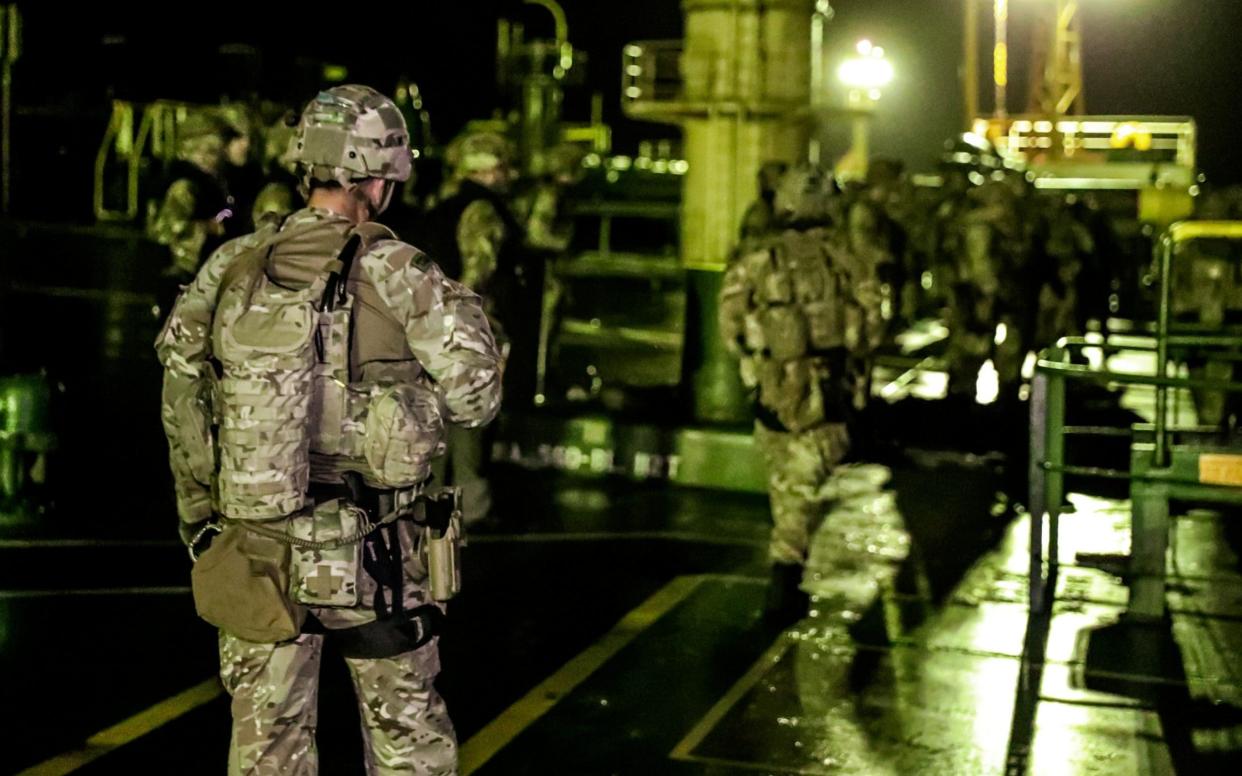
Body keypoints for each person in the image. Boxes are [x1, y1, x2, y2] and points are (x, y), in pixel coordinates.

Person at [156, 84, 503, 775]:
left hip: (257, 549)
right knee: (408, 743)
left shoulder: (234, 264)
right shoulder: (397, 269)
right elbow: (476, 396)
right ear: (379, 177)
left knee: (266, 747)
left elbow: (182, 395)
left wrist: (200, 520)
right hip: (373, 556)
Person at [719, 165, 883, 627]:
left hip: (774, 392)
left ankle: (784, 578)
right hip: (827, 392)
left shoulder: (757, 261)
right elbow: (873, 325)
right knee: (803, 487)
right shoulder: (846, 260)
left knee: (787, 487)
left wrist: (759, 362)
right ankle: (785, 578)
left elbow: (729, 326)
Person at [420, 130, 526, 524]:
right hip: (470, 331)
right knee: (470, 422)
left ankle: (432, 503)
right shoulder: (483, 211)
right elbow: (480, 276)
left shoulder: (440, 207)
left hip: (433, 328)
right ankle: (471, 507)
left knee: (437, 419)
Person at [148, 111, 239, 315]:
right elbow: (165, 228)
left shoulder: (216, 184)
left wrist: (222, 218)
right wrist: (206, 227)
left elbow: (225, 212)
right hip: (184, 276)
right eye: (213, 151)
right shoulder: (186, 186)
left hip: (205, 276)